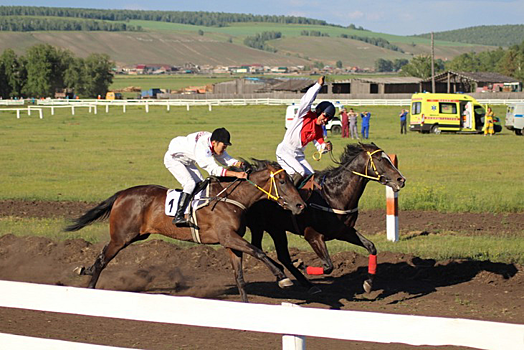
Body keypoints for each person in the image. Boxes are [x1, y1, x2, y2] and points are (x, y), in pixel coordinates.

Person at [164, 128, 247, 226]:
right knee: (190, 184)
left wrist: (237, 163)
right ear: (214, 143)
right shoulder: (202, 147)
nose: (224, 149)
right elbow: (214, 170)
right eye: (223, 146)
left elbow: (224, 157)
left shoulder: (213, 140)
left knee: (201, 184)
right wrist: (236, 174)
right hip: (174, 160)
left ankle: (192, 211)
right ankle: (178, 216)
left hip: (187, 160)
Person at [276, 75, 334, 186]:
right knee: (300, 172)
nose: (325, 120)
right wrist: (318, 86)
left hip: (299, 155)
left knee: (311, 175)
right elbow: (307, 100)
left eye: (328, 119)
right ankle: (288, 200)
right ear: (319, 111)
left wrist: (325, 147)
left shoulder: (319, 130)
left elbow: (320, 145)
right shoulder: (304, 115)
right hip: (285, 152)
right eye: (325, 116)